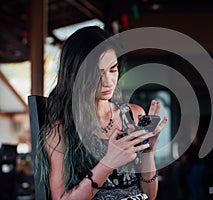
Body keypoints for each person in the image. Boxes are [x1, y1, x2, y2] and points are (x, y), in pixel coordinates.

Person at [36, 26, 167, 200]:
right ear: (77, 75)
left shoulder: (133, 114)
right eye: (97, 73)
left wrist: (148, 150)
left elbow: (149, 196)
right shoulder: (61, 130)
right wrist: (107, 163)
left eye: (113, 69)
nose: (108, 81)